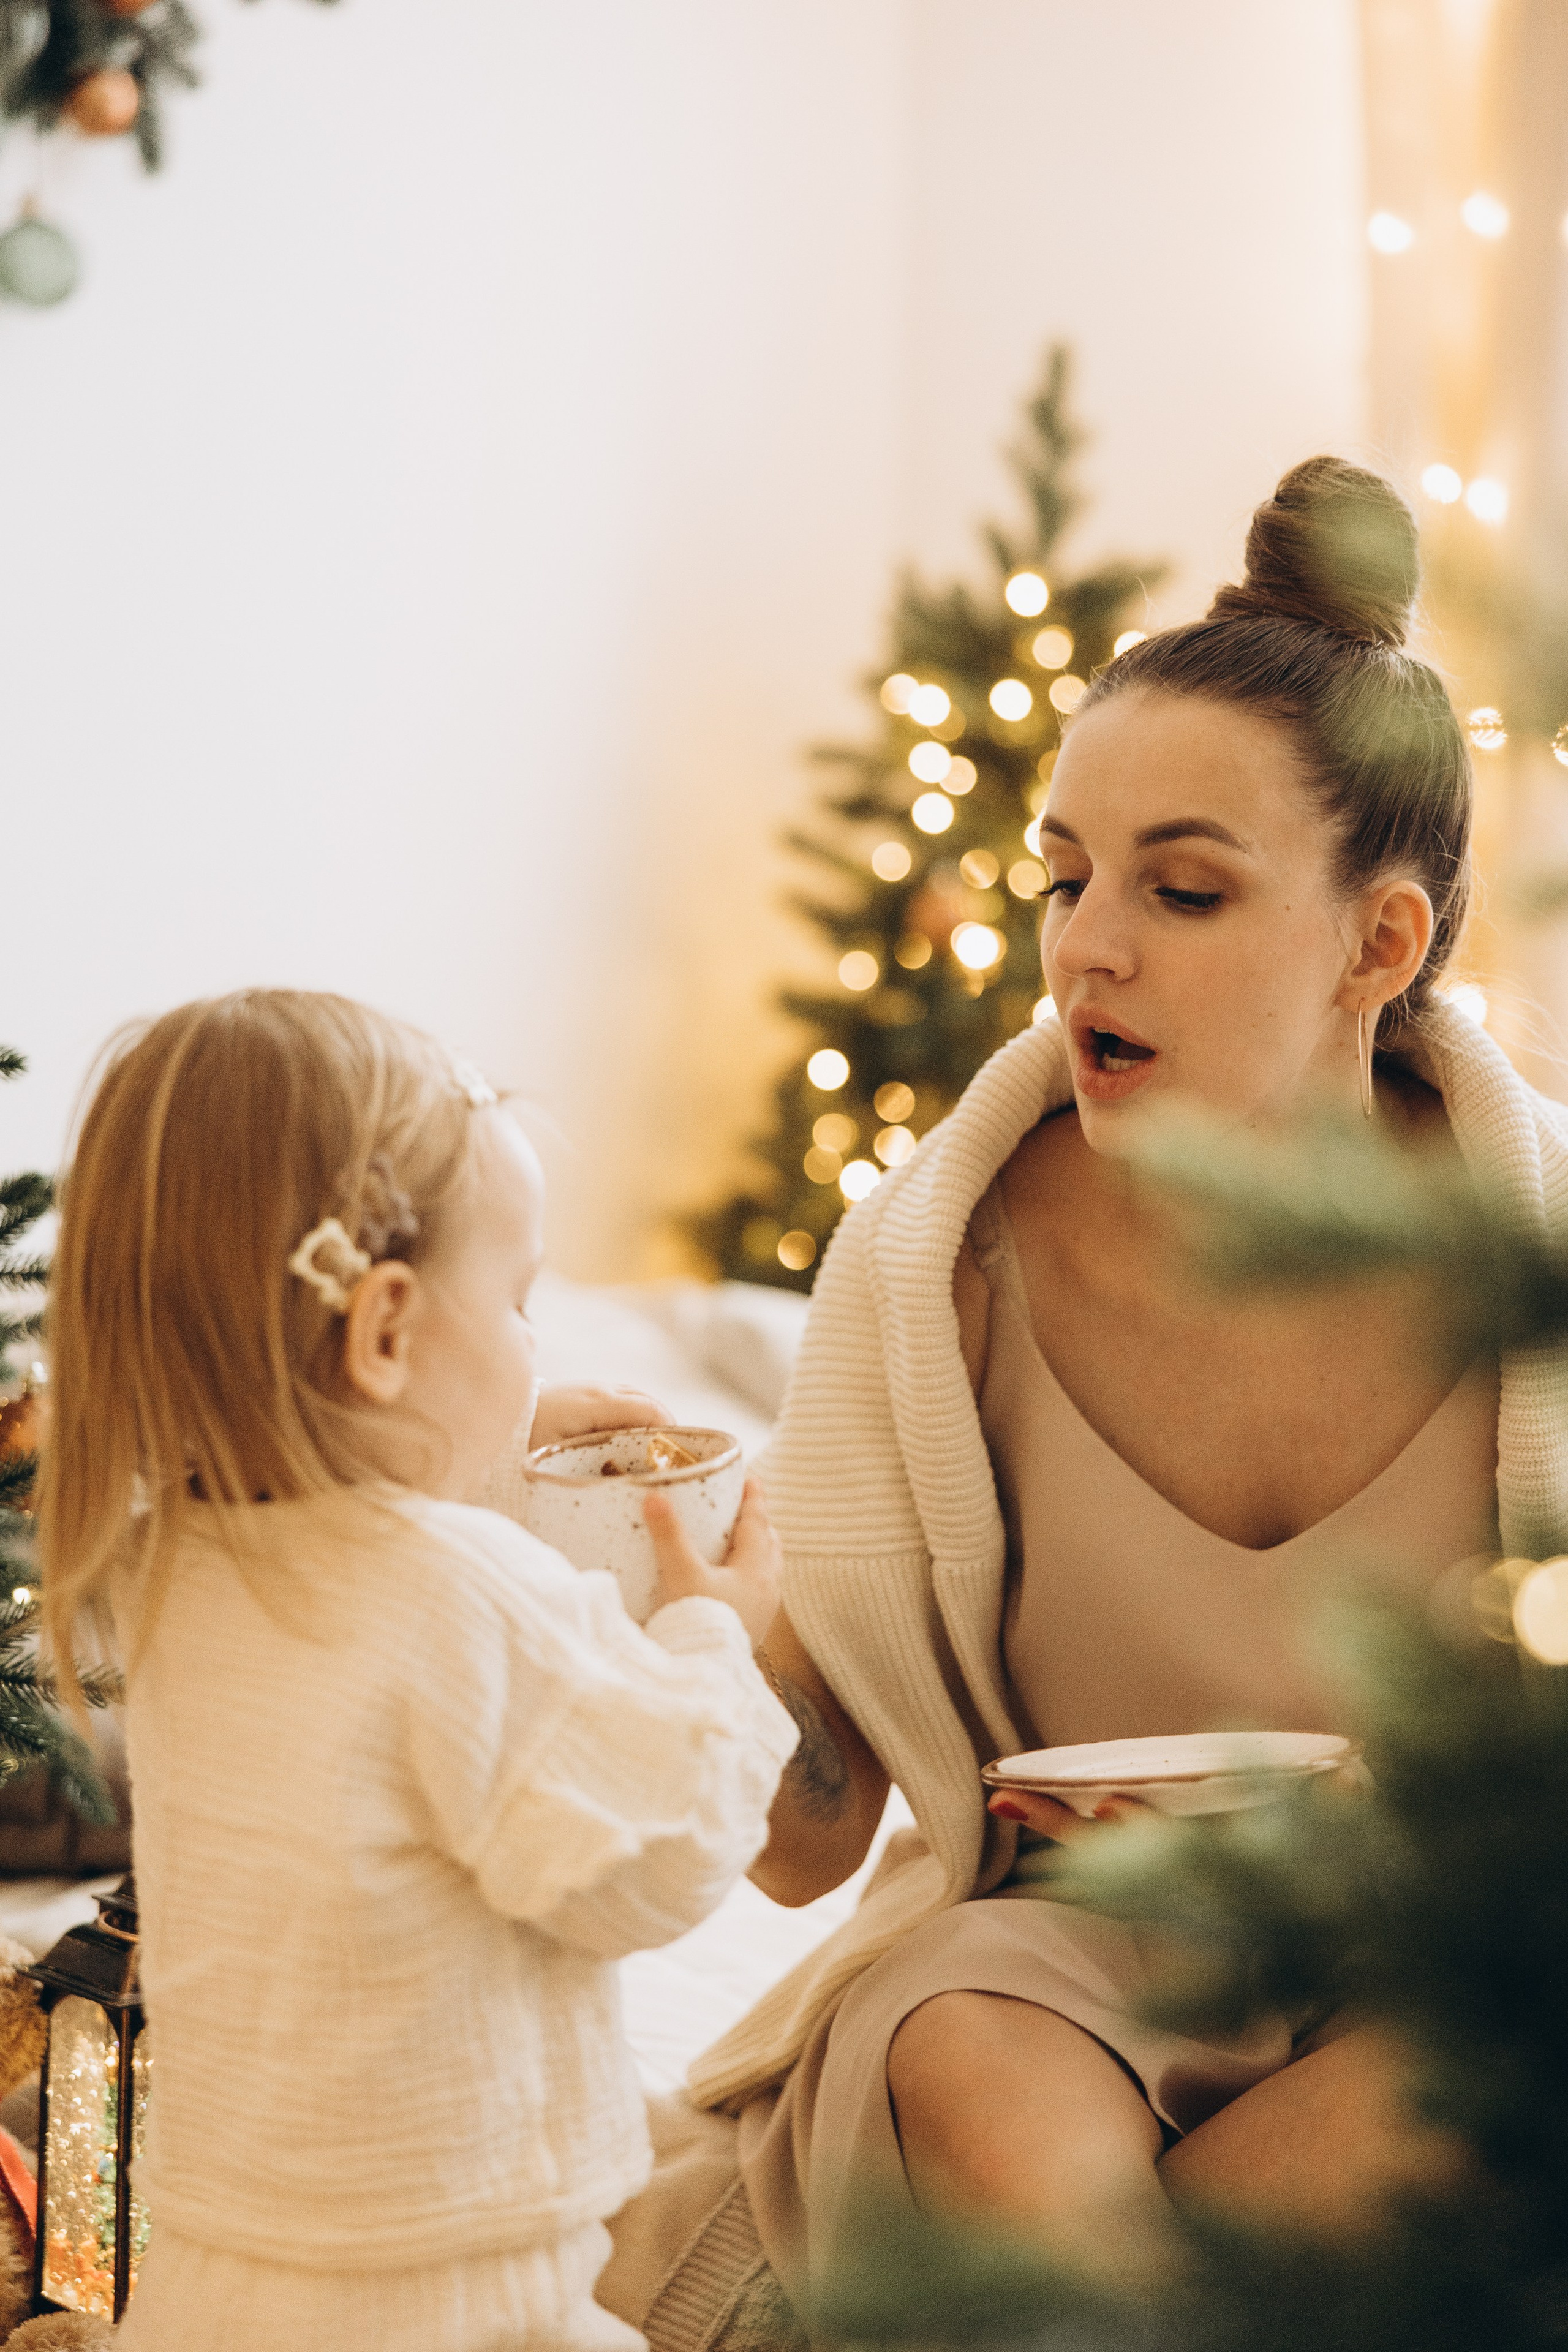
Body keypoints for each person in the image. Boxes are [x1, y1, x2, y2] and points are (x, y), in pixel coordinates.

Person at [687, 458, 1568, 2296]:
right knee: (961, 2042)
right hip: (1055, 1970)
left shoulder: (1526, 1267)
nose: (1084, 944)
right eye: (1070, 874)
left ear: (1378, 944)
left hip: (1440, 1963)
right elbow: (805, 1851)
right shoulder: (938, 1270)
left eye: (1181, 890)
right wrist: (720, 1633)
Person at [36, 989, 796, 2352]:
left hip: (216, 2276)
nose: (532, 1342)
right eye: (515, 1301)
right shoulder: (469, 1599)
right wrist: (710, 1634)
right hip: (451, 2297)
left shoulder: (177, 1578)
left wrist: (486, 1451)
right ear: (383, 1333)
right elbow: (662, 1848)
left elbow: (348, 1584)